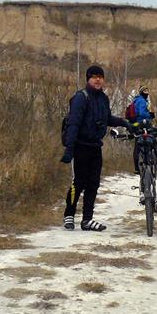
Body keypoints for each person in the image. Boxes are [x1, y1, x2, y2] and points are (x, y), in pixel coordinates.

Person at [61, 65, 129, 232]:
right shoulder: (81, 97)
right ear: (88, 79)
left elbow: (107, 119)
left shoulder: (103, 98)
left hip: (95, 147)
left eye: (100, 77)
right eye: (94, 77)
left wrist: (124, 123)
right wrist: (69, 148)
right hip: (80, 146)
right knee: (78, 182)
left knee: (93, 184)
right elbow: (74, 123)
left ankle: (87, 220)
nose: (98, 79)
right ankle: (69, 214)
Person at [125, 85, 157, 177]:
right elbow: (142, 113)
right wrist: (150, 115)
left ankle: (136, 168)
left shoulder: (136, 100)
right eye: (145, 90)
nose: (147, 92)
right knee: (153, 141)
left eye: (147, 90)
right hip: (143, 123)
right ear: (141, 92)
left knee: (137, 144)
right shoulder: (141, 101)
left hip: (136, 125)